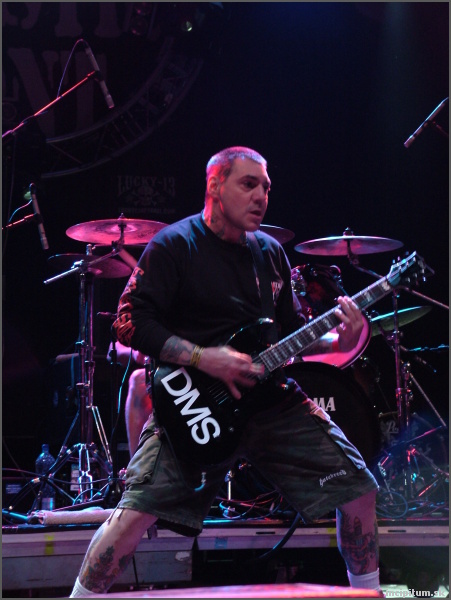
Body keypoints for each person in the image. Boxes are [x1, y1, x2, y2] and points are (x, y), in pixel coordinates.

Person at [70, 147, 380, 597]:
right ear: (215, 186)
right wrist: (202, 357)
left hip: (270, 402)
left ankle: (369, 593)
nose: (261, 197)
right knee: (133, 515)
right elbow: (128, 322)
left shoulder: (269, 253)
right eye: (248, 184)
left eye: (266, 188)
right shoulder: (175, 245)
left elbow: (289, 334)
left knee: (359, 489)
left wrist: (339, 342)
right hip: (195, 405)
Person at [108, 341, 153, 458]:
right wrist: (134, 353)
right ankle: (136, 463)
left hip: (187, 372)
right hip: (158, 374)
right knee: (138, 380)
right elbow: (112, 350)